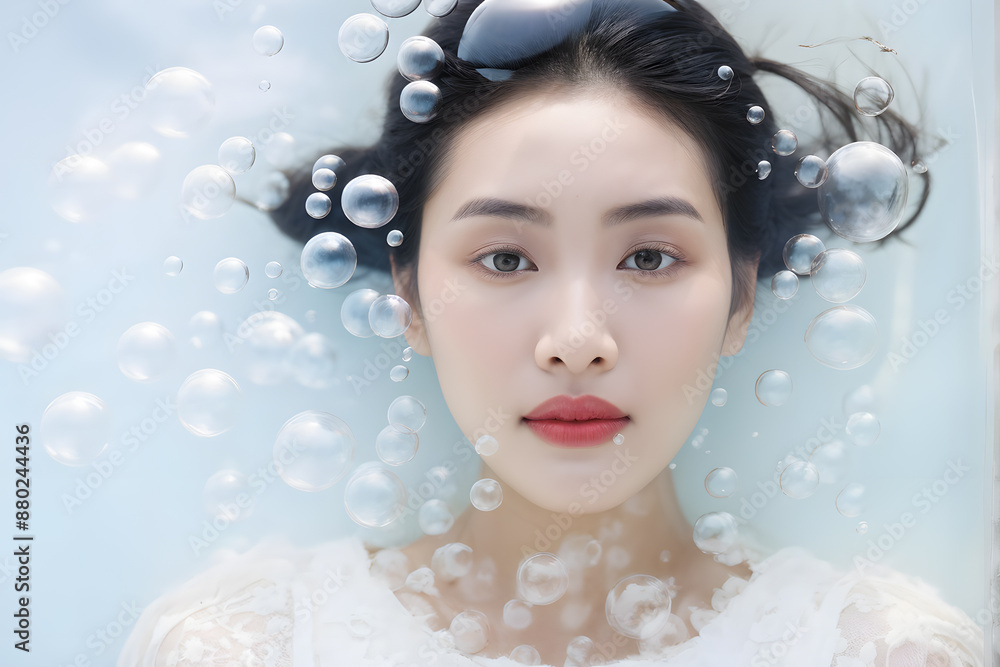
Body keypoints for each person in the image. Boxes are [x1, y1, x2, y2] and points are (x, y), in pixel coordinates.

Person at [118, 0, 985, 664]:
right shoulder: (249, 645)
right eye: (504, 259)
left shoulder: (877, 650)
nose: (577, 339)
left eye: (648, 257)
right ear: (410, 295)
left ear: (742, 296)